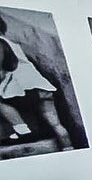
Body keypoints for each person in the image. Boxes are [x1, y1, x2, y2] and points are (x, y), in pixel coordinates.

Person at [0, 16, 72, 149]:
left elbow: (2, 70)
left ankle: (22, 130)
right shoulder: (13, 43)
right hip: (41, 87)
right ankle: (68, 147)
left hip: (23, 87)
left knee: (1, 103)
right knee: (55, 124)